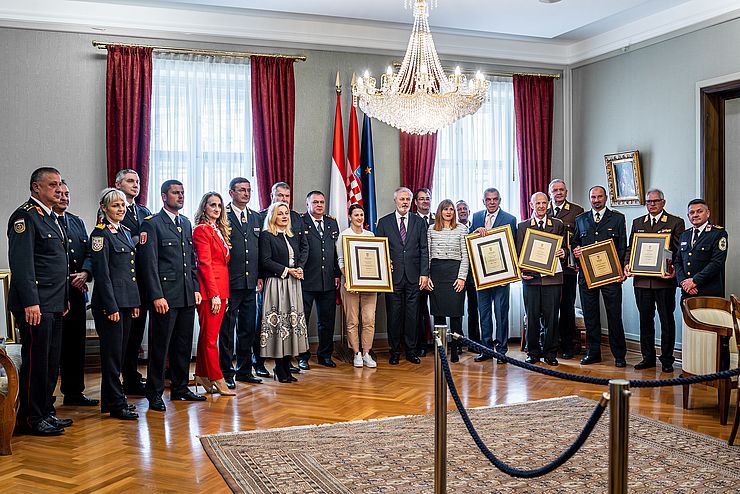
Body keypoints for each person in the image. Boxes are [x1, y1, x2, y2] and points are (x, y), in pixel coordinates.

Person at [8, 167, 71, 435]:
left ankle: (46, 411)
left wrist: (64, 298)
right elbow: (22, 266)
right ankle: (32, 418)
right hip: (36, 305)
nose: (59, 189)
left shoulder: (51, 217)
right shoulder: (25, 217)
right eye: (52, 185)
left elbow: (58, 264)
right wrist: (31, 302)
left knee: (51, 361)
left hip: (54, 303)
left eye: (60, 184)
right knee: (36, 361)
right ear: (36, 188)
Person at [139, 180, 204, 411]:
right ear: (164, 196)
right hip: (165, 297)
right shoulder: (152, 224)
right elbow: (149, 265)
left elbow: (191, 262)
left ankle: (180, 387)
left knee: (183, 345)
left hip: (186, 295)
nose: (180, 196)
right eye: (176, 193)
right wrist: (156, 295)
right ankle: (155, 393)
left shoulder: (185, 223)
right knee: (160, 346)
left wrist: (195, 288)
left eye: (183, 193)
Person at [89, 188, 140, 420]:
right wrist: (111, 307)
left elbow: (130, 273)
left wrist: (134, 302)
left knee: (119, 355)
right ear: (104, 208)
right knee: (111, 355)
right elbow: (102, 274)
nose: (121, 209)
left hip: (127, 302)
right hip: (110, 305)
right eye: (115, 205)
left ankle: (110, 401)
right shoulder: (100, 235)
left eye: (122, 205)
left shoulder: (126, 232)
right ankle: (117, 403)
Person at [624, 189, 685, 372]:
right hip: (642, 281)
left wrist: (673, 269)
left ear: (663, 202)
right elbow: (631, 248)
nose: (652, 204)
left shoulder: (675, 222)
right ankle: (647, 357)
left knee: (666, 320)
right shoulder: (638, 223)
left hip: (663, 281)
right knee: (645, 320)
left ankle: (667, 359)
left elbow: (679, 252)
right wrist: (627, 264)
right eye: (649, 202)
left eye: (656, 201)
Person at [573, 185, 628, 367]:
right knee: (591, 316)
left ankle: (619, 355)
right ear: (590, 199)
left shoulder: (618, 218)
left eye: (599, 197)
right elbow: (575, 243)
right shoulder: (580, 219)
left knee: (614, 315)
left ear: (606, 198)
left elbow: (622, 247)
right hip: (587, 276)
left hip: (611, 276)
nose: (596, 200)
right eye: (593, 197)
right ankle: (593, 352)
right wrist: (576, 251)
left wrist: (620, 270)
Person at [54, 180, 97, 407]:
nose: (64, 197)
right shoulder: (45, 221)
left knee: (75, 343)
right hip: (53, 294)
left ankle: (74, 392)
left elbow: (89, 252)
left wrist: (86, 272)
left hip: (76, 292)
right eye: (59, 193)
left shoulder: (77, 222)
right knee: (54, 347)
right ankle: (46, 395)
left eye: (67, 193)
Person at [255, 182, 304, 378]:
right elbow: (265, 261)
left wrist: (298, 268)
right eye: (280, 213)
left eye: (286, 213)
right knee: (277, 325)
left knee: (290, 325)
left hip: (293, 284)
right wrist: (288, 271)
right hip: (276, 284)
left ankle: (285, 366)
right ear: (273, 215)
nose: (284, 216)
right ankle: (278, 367)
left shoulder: (291, 235)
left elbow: (298, 255)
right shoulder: (267, 235)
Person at [674, 198, 729, 369]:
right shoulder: (685, 235)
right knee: (691, 333)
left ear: (708, 213)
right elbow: (678, 262)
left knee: (711, 333)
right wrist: (684, 282)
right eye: (692, 212)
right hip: (687, 293)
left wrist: (695, 281)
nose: (695, 215)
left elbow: (717, 263)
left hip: (708, 292)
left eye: (699, 211)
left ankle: (713, 369)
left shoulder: (718, 234)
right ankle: (693, 367)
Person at [376, 187, 429, 364]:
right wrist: (385, 265)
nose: (404, 202)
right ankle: (395, 351)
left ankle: (411, 351)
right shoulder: (384, 223)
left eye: (407, 199)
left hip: (414, 277)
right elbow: (379, 250)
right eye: (401, 199)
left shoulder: (419, 222)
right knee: (394, 315)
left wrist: (424, 273)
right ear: (395, 201)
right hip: (393, 277)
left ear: (411, 201)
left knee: (413, 315)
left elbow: (424, 249)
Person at [219, 178, 262, 388]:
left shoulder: (255, 217)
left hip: (250, 282)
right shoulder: (222, 215)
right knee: (227, 331)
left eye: (249, 190)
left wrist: (259, 276)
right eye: (242, 190)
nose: (246, 193)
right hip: (229, 283)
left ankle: (244, 370)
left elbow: (259, 250)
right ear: (231, 193)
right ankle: (226, 372)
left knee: (248, 329)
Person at [516, 192, 566, 366]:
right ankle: (533, 352)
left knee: (552, 318)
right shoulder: (522, 226)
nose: (541, 206)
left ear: (548, 204)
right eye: (538, 203)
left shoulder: (558, 224)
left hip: (553, 279)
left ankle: (550, 353)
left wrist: (564, 252)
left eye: (544, 203)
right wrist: (520, 271)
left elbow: (566, 247)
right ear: (531, 205)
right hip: (531, 279)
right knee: (532, 316)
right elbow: (518, 253)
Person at [193, 192, 235, 396]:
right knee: (210, 339)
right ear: (204, 208)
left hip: (221, 289)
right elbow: (205, 264)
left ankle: (201, 373)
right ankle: (218, 378)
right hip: (210, 292)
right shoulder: (202, 230)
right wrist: (215, 294)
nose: (217, 209)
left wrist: (222, 294)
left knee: (207, 336)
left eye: (219, 205)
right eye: (212, 205)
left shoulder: (217, 230)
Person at [469, 187, 517, 363]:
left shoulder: (510, 219)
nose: (491, 202)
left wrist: (510, 275)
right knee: (484, 314)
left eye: (494, 199)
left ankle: (502, 351)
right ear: (483, 201)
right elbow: (469, 243)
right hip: (482, 277)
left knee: (501, 314)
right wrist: (474, 233)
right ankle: (486, 349)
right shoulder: (475, 218)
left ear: (499, 200)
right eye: (488, 199)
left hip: (502, 277)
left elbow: (514, 248)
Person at [116, 169, 152, 396]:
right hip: (125, 280)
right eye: (130, 181)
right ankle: (125, 377)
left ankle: (132, 377)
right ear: (118, 184)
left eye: (137, 181)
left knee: (137, 334)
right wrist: (136, 240)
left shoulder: (144, 211)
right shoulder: (112, 211)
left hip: (143, 279)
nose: (135, 185)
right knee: (125, 336)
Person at [298, 191, 341, 369]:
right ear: (308, 204)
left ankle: (325, 355)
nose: (319, 205)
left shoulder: (332, 223)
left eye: (322, 202)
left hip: (328, 280)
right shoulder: (301, 222)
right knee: (303, 321)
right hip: (307, 279)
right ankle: (302, 356)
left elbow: (337, 252)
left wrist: (337, 274)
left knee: (327, 321)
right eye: (315, 202)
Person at [425, 199, 469, 362]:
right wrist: (427, 276)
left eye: (451, 209)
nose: (449, 212)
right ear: (440, 211)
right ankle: (441, 350)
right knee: (439, 315)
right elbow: (427, 255)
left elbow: (466, 256)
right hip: (437, 274)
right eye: (445, 209)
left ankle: (456, 350)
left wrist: (462, 277)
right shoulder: (431, 229)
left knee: (456, 315)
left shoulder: (462, 229)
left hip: (454, 273)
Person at [336, 204, 378, 368]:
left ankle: (367, 353)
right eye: (356, 215)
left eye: (361, 215)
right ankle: (356, 353)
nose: (359, 218)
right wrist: (351, 279)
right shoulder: (343, 236)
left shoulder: (371, 235)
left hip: (370, 285)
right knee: (352, 320)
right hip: (350, 284)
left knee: (369, 320)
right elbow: (341, 261)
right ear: (350, 217)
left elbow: (375, 259)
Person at [547, 179, 584, 359]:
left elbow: (579, 240)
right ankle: (549, 344)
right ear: (550, 193)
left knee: (567, 307)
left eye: (561, 190)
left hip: (568, 268)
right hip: (547, 269)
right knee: (548, 308)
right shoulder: (542, 210)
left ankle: (567, 345)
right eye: (555, 190)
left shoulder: (577, 212)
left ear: (566, 192)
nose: (558, 192)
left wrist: (570, 255)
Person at [455, 199, 479, 346]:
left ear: (469, 212)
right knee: (457, 309)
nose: (463, 211)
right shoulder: (454, 229)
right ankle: (458, 341)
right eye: (460, 209)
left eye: (465, 208)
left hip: (475, 275)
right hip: (458, 274)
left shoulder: (476, 228)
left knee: (473, 309)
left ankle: (474, 342)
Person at [413, 188, 434, 357]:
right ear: (416, 202)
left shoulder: (439, 219)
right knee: (419, 310)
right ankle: (420, 343)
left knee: (439, 308)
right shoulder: (411, 220)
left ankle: (441, 344)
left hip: (437, 274)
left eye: (427, 198)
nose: (425, 201)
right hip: (418, 274)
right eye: (421, 199)